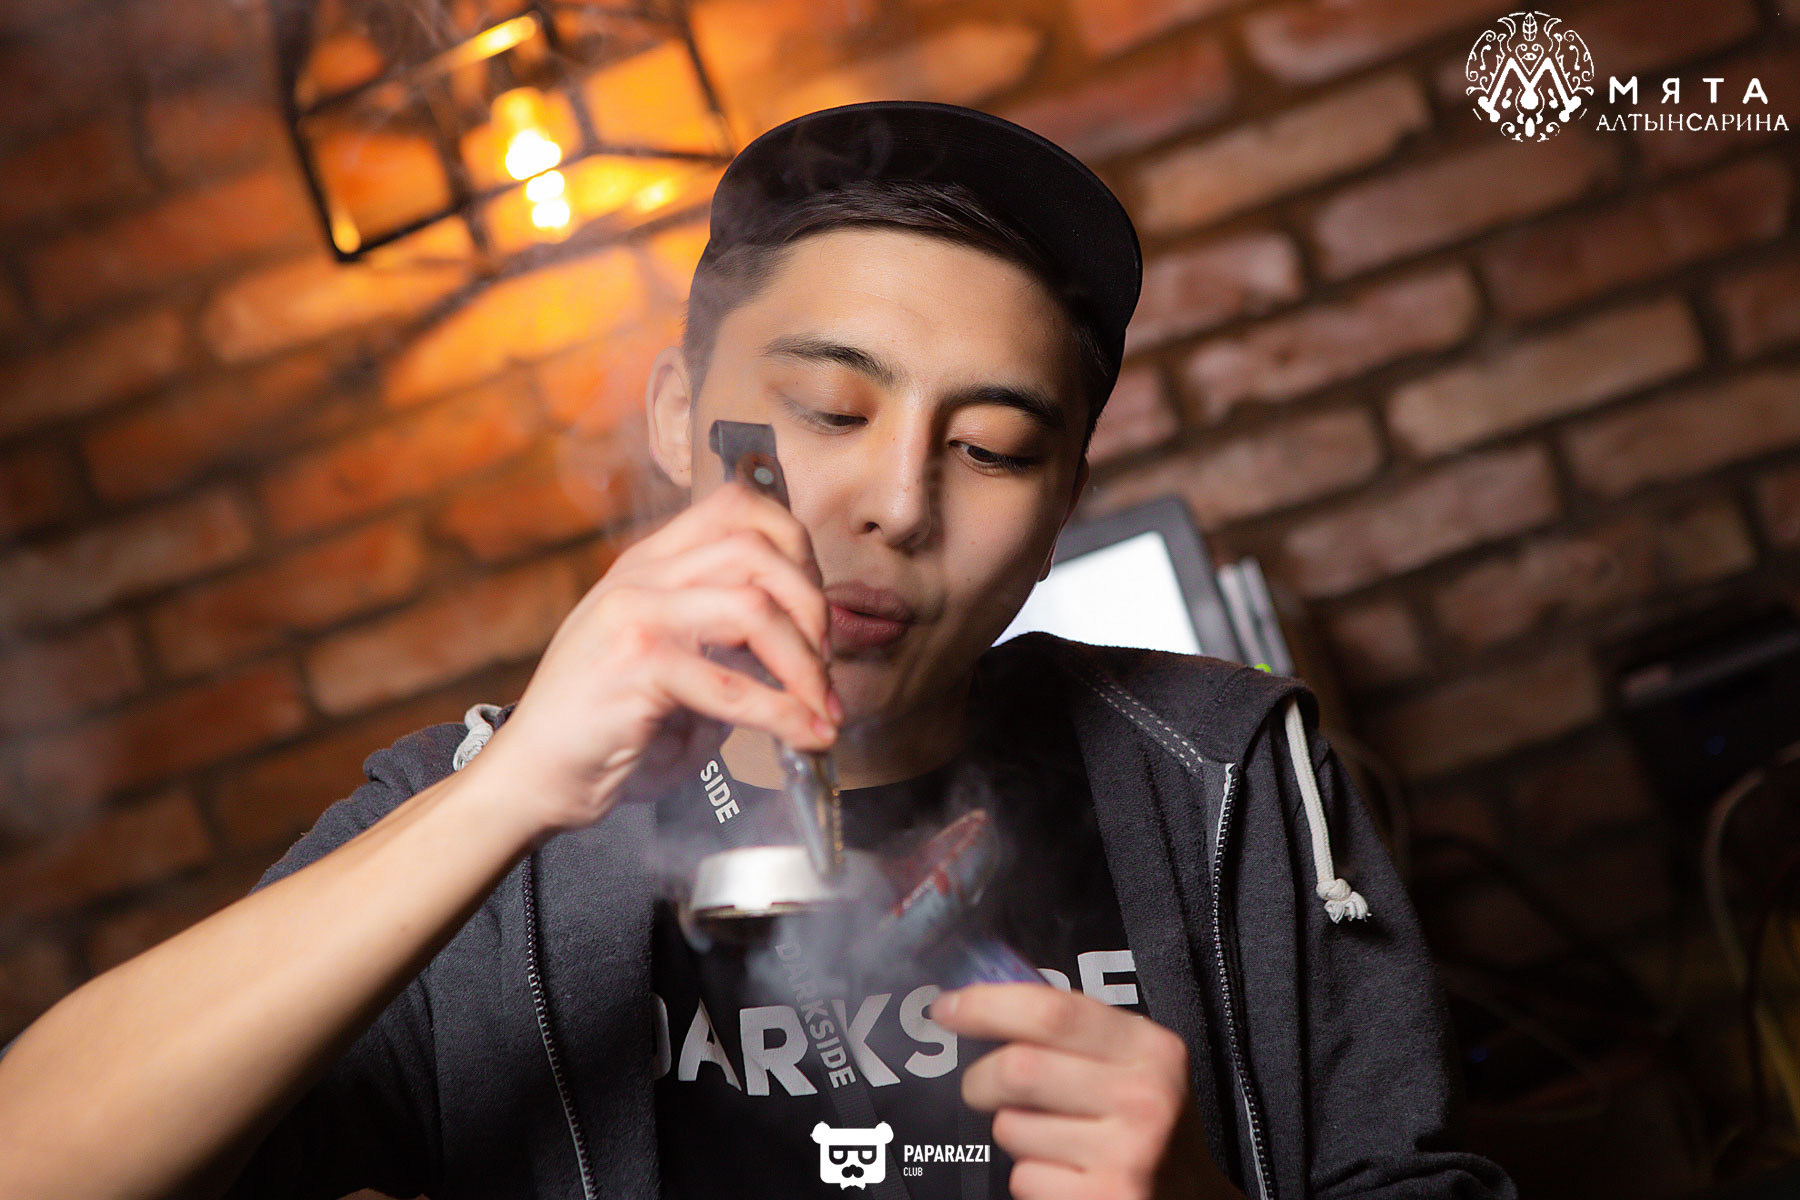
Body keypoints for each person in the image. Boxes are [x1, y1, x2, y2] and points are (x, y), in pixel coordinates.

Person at [0, 101, 1514, 1200]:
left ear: (1059, 510)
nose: (897, 504)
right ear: (678, 416)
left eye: (991, 447)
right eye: (831, 411)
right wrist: (510, 791)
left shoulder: (1221, 779)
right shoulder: (480, 830)